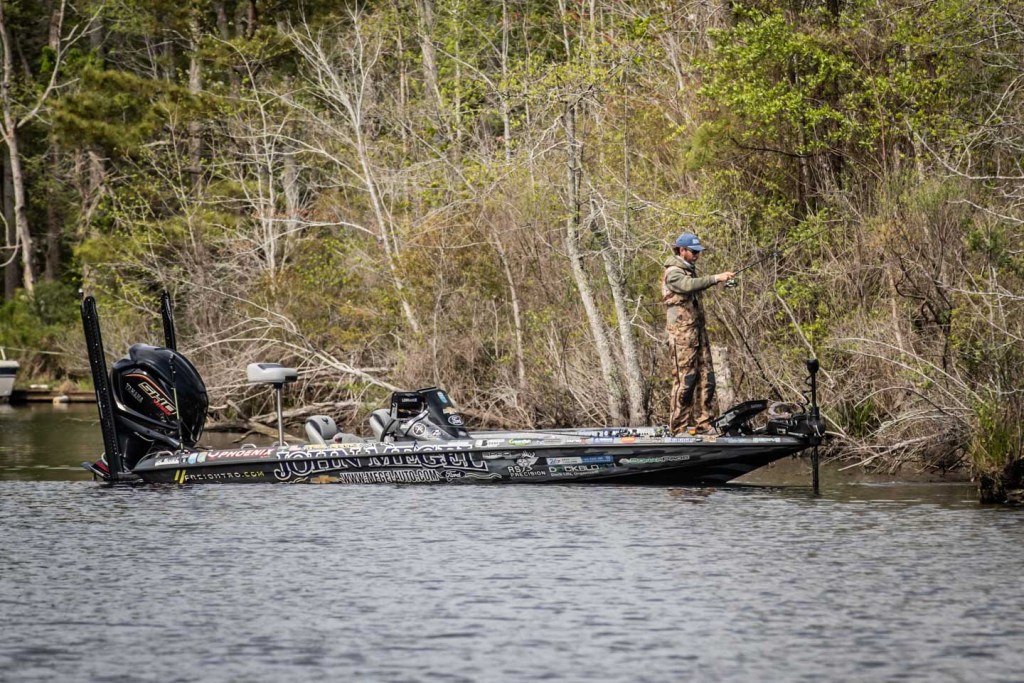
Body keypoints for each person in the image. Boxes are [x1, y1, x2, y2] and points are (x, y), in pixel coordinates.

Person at [662, 233, 735, 435]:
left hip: (698, 335)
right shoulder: (673, 273)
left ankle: (705, 424)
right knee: (685, 381)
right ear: (682, 250)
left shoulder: (689, 271)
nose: (697, 255)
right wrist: (715, 278)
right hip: (682, 338)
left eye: (698, 252)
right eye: (693, 252)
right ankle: (678, 428)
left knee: (707, 378)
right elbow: (687, 286)